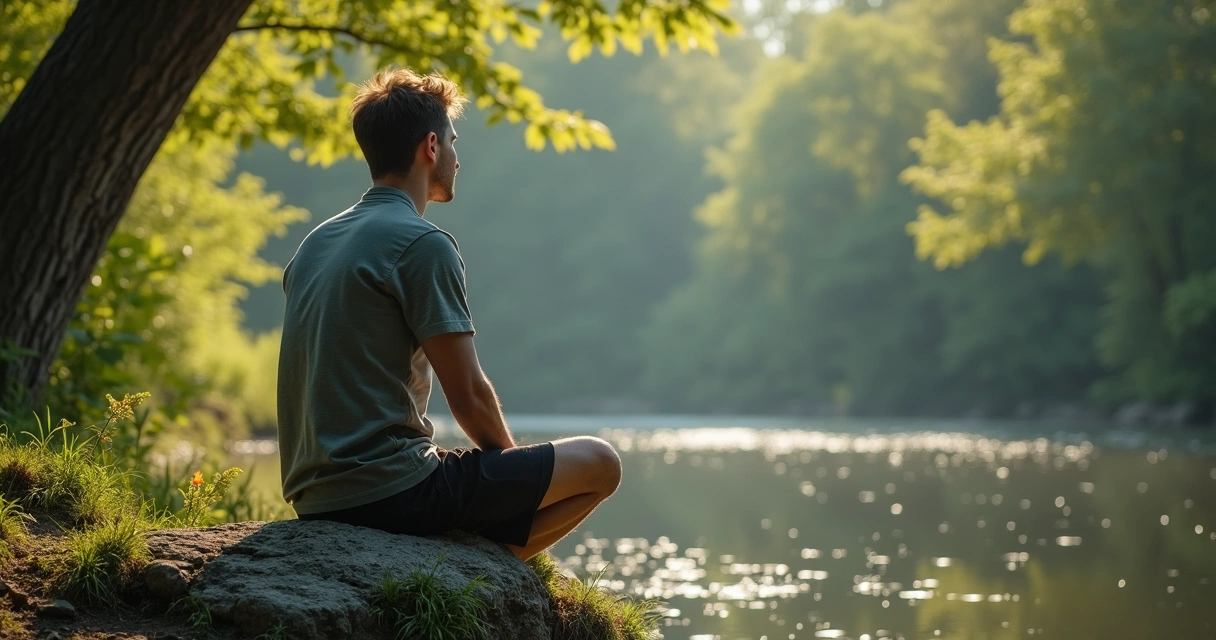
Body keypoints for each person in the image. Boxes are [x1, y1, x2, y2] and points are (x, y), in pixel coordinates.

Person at [276, 67, 621, 561]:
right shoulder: (422, 244)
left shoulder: (315, 244)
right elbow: (471, 397)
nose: (459, 160)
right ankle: (492, 568)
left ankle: (483, 558)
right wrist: (518, 486)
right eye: (455, 143)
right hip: (391, 490)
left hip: (314, 498)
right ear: (431, 147)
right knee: (600, 463)